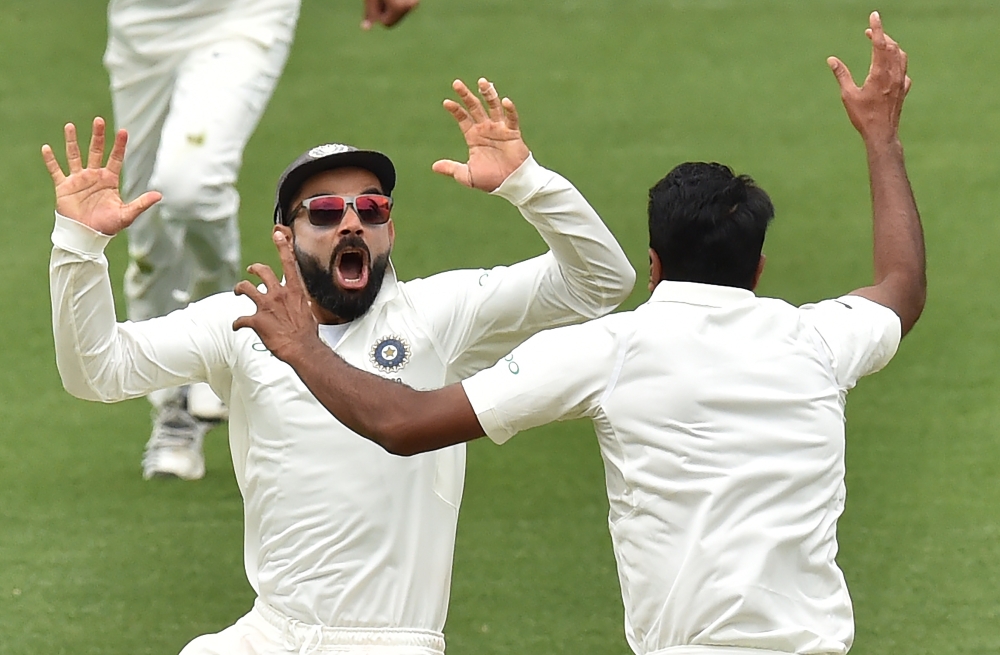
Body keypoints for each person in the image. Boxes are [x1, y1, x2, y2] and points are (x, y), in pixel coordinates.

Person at [236, 13, 925, 655]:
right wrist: (882, 138)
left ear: (654, 265)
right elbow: (902, 285)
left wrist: (302, 347)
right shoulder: (819, 339)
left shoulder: (608, 351)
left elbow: (402, 423)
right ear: (759, 267)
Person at [45, 78, 635, 654]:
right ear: (285, 236)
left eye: (372, 208)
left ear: (388, 229)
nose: (352, 222)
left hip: (389, 641)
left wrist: (528, 183)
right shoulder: (243, 321)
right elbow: (98, 371)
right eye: (325, 212)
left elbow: (601, 282)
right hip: (271, 633)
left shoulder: (440, 314)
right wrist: (79, 246)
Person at [105, 0, 421, 481]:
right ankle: (175, 407)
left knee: (190, 188)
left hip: (243, 12)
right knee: (146, 223)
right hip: (141, 23)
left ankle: (215, 332)